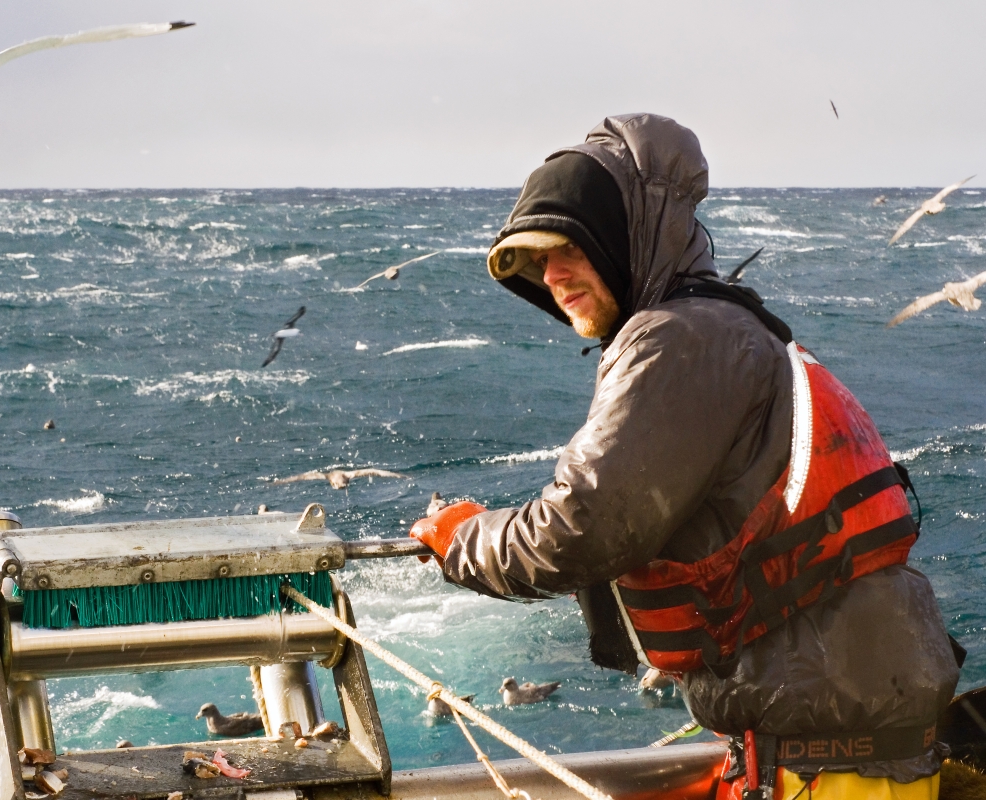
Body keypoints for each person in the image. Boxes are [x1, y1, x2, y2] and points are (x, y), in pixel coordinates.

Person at [409, 113, 959, 800]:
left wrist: (461, 538)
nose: (550, 274)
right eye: (534, 262)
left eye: (566, 249)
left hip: (825, 765)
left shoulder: (681, 340)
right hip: (842, 746)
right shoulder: (724, 325)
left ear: (622, 239)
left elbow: (583, 527)